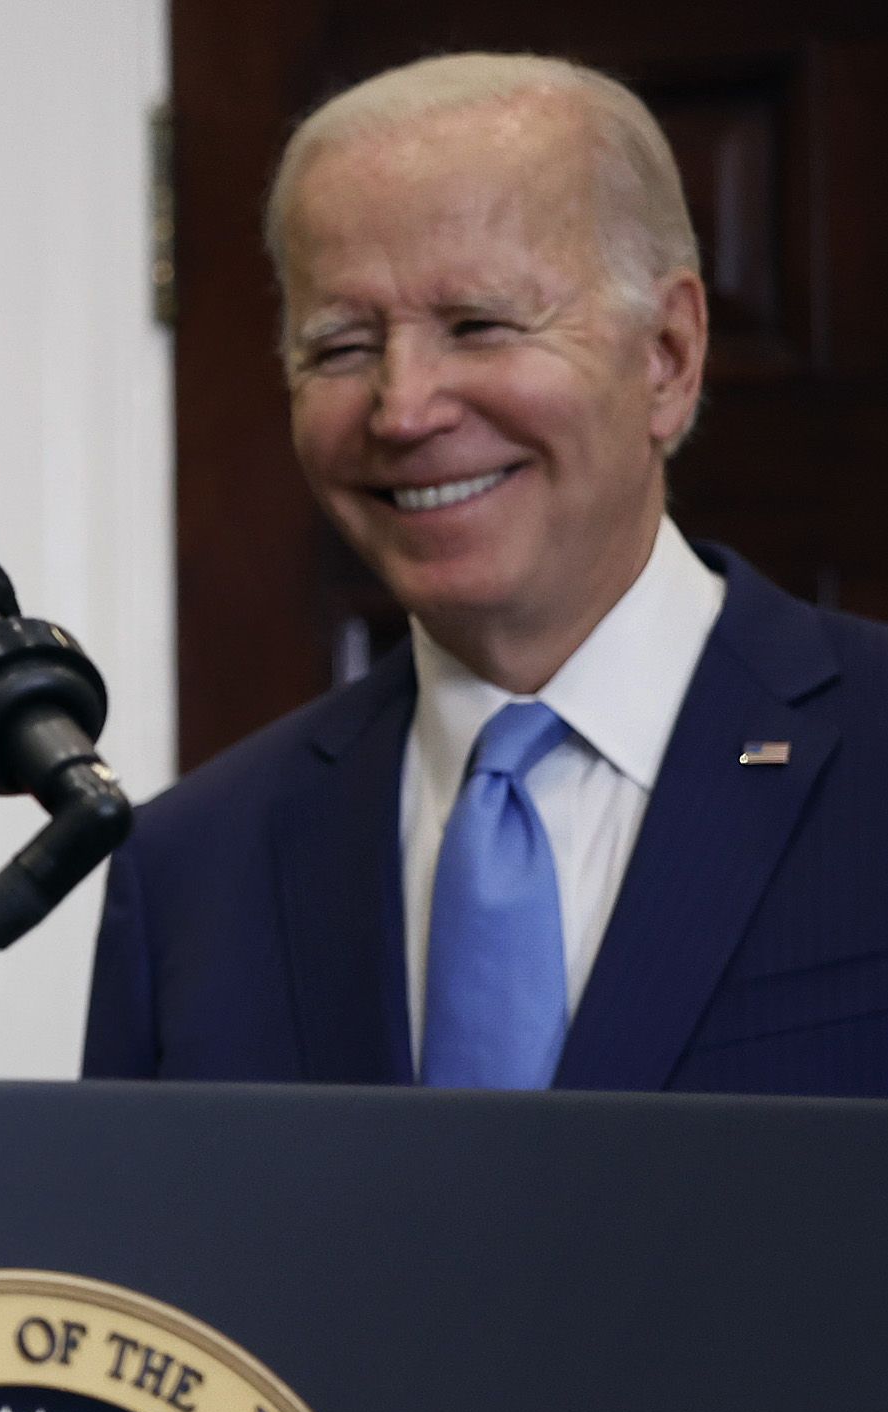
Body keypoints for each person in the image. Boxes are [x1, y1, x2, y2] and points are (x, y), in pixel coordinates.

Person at [87, 51, 888, 1094]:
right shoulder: (190, 870)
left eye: (477, 325)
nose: (403, 408)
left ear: (667, 356)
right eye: (338, 346)